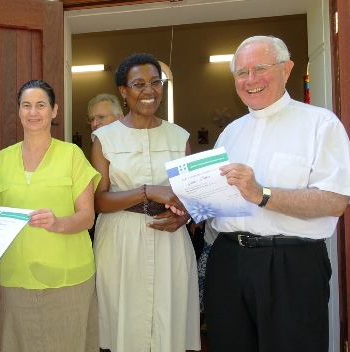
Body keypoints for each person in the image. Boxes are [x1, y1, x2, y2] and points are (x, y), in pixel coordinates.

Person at [204, 36, 350, 352]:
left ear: (287, 69)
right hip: (228, 260)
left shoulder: (320, 124)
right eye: (242, 72)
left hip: (291, 264)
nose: (250, 80)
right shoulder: (230, 132)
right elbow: (217, 198)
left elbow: (335, 201)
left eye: (260, 68)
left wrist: (262, 193)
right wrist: (190, 205)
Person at [0, 79, 100, 351]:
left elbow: (87, 216)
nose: (33, 112)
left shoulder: (72, 155)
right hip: (16, 278)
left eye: (41, 105)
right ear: (19, 111)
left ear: (54, 111)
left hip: (68, 280)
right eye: (26, 105)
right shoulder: (1, 160)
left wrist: (59, 223)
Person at [91, 53, 201, 352]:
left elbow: (192, 195)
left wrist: (186, 216)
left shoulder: (179, 137)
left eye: (155, 82)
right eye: (138, 84)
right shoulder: (105, 138)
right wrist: (148, 191)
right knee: (124, 322)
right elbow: (98, 200)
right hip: (120, 239)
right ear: (123, 92)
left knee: (169, 321)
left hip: (170, 239)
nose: (149, 90)